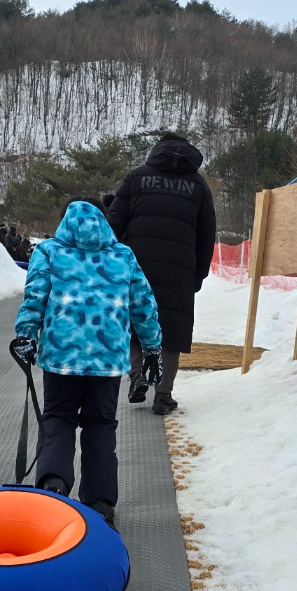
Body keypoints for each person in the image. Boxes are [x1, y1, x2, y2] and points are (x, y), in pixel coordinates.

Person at [11, 198, 162, 529]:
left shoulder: (49, 252)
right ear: (104, 221)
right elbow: (143, 304)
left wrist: (27, 335)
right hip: (107, 362)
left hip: (60, 358)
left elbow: (34, 297)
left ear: (64, 220)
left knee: (58, 418)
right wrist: (152, 346)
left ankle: (53, 488)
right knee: (100, 424)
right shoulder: (122, 256)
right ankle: (99, 503)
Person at [106, 130, 216, 415]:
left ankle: (136, 376)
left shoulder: (137, 177)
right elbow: (206, 235)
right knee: (172, 330)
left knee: (134, 324)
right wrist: (198, 275)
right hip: (179, 269)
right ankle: (163, 394)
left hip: (136, 265)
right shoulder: (198, 186)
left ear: (158, 149)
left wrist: (110, 264)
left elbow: (113, 223)